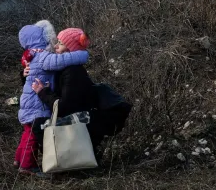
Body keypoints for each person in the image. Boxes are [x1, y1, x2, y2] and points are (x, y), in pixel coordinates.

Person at [32, 28, 131, 159]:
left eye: (60, 43)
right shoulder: (65, 69)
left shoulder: (73, 72)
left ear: (70, 49)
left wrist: (43, 92)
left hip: (83, 122)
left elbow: (64, 107)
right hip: (83, 120)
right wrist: (26, 74)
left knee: (38, 126)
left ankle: (65, 159)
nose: (55, 46)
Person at [16, 22, 89, 176]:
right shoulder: (44, 56)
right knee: (32, 135)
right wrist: (82, 55)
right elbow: (61, 60)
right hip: (37, 104)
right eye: (53, 41)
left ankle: (19, 160)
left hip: (30, 102)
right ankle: (27, 165)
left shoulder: (33, 55)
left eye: (60, 43)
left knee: (28, 132)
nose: (55, 45)